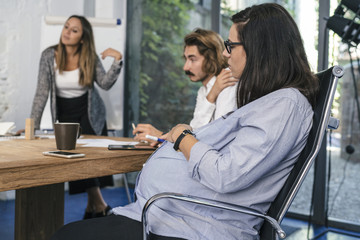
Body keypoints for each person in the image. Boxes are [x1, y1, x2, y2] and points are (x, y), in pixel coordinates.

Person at [50, 3, 319, 240]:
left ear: (259, 50)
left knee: (65, 235)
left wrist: (182, 137)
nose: (226, 54)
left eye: (231, 46)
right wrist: (177, 138)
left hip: (190, 224)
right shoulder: (268, 103)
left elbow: (226, 175)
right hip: (173, 214)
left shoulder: (285, 106)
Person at [30, 15, 123, 219]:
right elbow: (41, 93)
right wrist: (32, 127)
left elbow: (105, 83)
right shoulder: (49, 55)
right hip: (64, 113)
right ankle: (96, 207)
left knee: (89, 158)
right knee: (74, 159)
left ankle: (97, 205)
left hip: (89, 112)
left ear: (83, 38)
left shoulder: (88, 56)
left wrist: (117, 61)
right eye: (66, 27)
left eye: (74, 30)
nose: (67, 32)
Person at [133, 28, 238, 145]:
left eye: (192, 60)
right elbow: (194, 131)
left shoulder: (227, 84)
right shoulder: (203, 91)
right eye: (186, 59)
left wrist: (161, 136)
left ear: (211, 59)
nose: (185, 67)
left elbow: (213, 139)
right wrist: (161, 137)